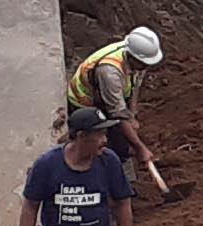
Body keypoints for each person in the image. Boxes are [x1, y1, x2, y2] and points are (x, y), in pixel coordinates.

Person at [65, 25, 166, 189]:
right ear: (133, 58)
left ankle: (125, 184)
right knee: (95, 142)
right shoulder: (110, 71)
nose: (146, 67)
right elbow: (117, 114)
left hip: (110, 97)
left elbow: (135, 86)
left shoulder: (138, 62)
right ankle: (92, 183)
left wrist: (132, 114)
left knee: (120, 141)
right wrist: (140, 148)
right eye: (143, 64)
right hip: (85, 103)